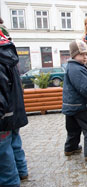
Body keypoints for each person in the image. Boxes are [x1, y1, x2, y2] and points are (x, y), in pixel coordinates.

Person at [0, 31, 28, 186]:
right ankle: (22, 172)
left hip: (4, 114)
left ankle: (10, 182)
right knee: (14, 142)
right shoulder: (7, 49)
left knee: (3, 153)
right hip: (13, 111)